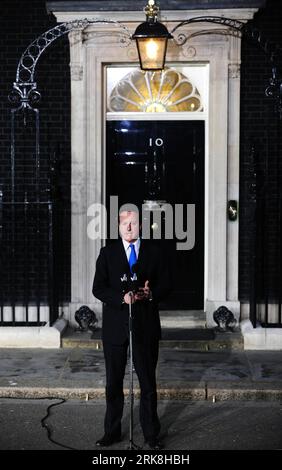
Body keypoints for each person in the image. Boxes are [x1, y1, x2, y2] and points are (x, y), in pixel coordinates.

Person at [92, 209, 170, 449]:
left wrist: (151, 293)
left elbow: (168, 284)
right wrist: (120, 298)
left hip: (145, 326)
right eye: (124, 223)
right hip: (116, 327)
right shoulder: (107, 253)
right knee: (113, 383)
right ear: (118, 226)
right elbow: (98, 288)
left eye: (133, 223)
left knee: (147, 384)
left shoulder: (154, 252)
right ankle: (112, 432)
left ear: (140, 226)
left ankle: (150, 435)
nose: (129, 227)